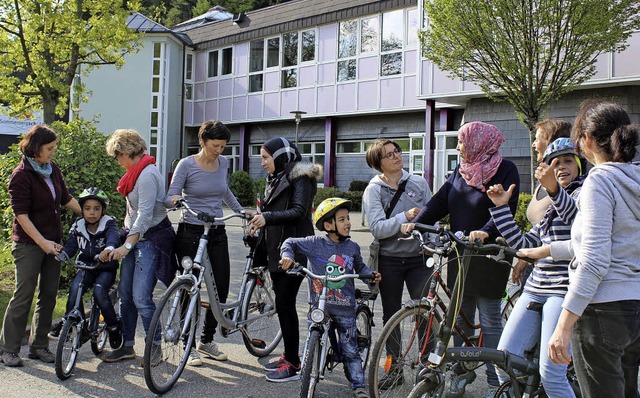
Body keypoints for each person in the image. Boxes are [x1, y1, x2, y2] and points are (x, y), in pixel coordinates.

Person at [402, 121, 520, 396]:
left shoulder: (505, 169)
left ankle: (497, 382)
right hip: (460, 252)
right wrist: (417, 223)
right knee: (460, 318)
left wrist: (486, 232)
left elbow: (508, 208)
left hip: (489, 255)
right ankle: (460, 374)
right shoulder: (461, 171)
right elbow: (440, 202)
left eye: (462, 142)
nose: (458, 147)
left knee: (490, 319)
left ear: (479, 142)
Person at [547, 100, 640, 398]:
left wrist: (563, 324)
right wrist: (547, 250)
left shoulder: (599, 181)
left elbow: (595, 259)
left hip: (602, 311)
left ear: (586, 140)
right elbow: (621, 240)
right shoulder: (634, 178)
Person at [484, 138, 583, 397]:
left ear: (579, 164)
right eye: (555, 163)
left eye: (568, 160)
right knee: (504, 361)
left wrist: (553, 191)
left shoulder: (585, 193)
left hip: (563, 293)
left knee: (552, 375)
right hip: (534, 287)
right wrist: (502, 209)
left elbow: (579, 223)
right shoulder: (550, 209)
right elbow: (524, 244)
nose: (561, 167)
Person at [279, 198, 381, 398]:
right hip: (319, 305)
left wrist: (371, 277)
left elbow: (360, 268)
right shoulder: (314, 244)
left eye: (347, 218)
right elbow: (289, 242)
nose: (348, 223)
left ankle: (358, 386)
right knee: (312, 338)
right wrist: (287, 256)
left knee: (351, 350)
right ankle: (310, 374)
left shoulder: (352, 247)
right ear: (328, 225)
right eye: (341, 219)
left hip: (345, 307)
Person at [165, 120, 245, 366]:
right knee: (191, 287)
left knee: (219, 289)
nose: (219, 150)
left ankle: (206, 340)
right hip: (190, 231)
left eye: (223, 146)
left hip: (217, 231)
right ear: (202, 142)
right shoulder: (186, 165)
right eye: (215, 145)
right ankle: (187, 343)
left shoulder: (223, 163)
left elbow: (224, 191)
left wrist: (242, 211)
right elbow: (170, 196)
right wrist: (176, 200)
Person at [0, 124, 81, 367]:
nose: (53, 152)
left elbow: (65, 198)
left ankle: (39, 346)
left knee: (48, 294)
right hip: (29, 244)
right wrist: (42, 242)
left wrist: (91, 215)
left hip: (52, 242)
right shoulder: (21, 175)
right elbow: (21, 215)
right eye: (49, 148)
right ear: (35, 148)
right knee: (23, 295)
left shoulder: (51, 168)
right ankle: (8, 350)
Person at [247, 137, 321, 382]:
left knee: (286, 304)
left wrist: (267, 217)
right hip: (278, 249)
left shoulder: (301, 177)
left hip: (294, 250)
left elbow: (299, 212)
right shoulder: (277, 177)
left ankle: (293, 363)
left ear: (280, 156)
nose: (263, 163)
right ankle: (289, 355)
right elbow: (273, 211)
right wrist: (258, 220)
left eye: (266, 158)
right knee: (283, 304)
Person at [361, 138, 432, 389]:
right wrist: (405, 216)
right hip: (389, 260)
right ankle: (394, 370)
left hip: (419, 259)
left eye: (397, 151)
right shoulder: (374, 190)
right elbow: (378, 228)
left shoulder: (418, 182)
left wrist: (431, 240)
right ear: (378, 163)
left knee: (425, 313)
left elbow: (431, 218)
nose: (396, 157)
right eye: (389, 155)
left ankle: (428, 371)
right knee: (391, 317)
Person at [102, 129, 177, 365]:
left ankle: (154, 347)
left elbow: (145, 215)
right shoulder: (134, 173)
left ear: (126, 152)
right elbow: (133, 212)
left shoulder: (147, 174)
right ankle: (127, 346)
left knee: (141, 297)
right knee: (125, 295)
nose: (116, 161)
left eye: (117, 156)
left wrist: (126, 245)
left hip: (150, 239)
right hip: (135, 237)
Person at [57, 187, 123, 350]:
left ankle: (114, 327)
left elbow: (113, 238)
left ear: (103, 210)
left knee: (99, 292)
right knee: (74, 291)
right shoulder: (78, 226)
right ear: (82, 210)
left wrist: (108, 249)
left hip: (105, 267)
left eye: (96, 209)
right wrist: (63, 254)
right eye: (87, 208)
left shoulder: (108, 223)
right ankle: (74, 324)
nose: (91, 213)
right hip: (86, 266)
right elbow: (72, 245)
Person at [511, 119, 572, 286]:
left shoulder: (567, 183)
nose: (533, 144)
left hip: (559, 274)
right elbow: (541, 227)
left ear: (551, 141)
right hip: (537, 265)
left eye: (537, 139)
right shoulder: (543, 183)